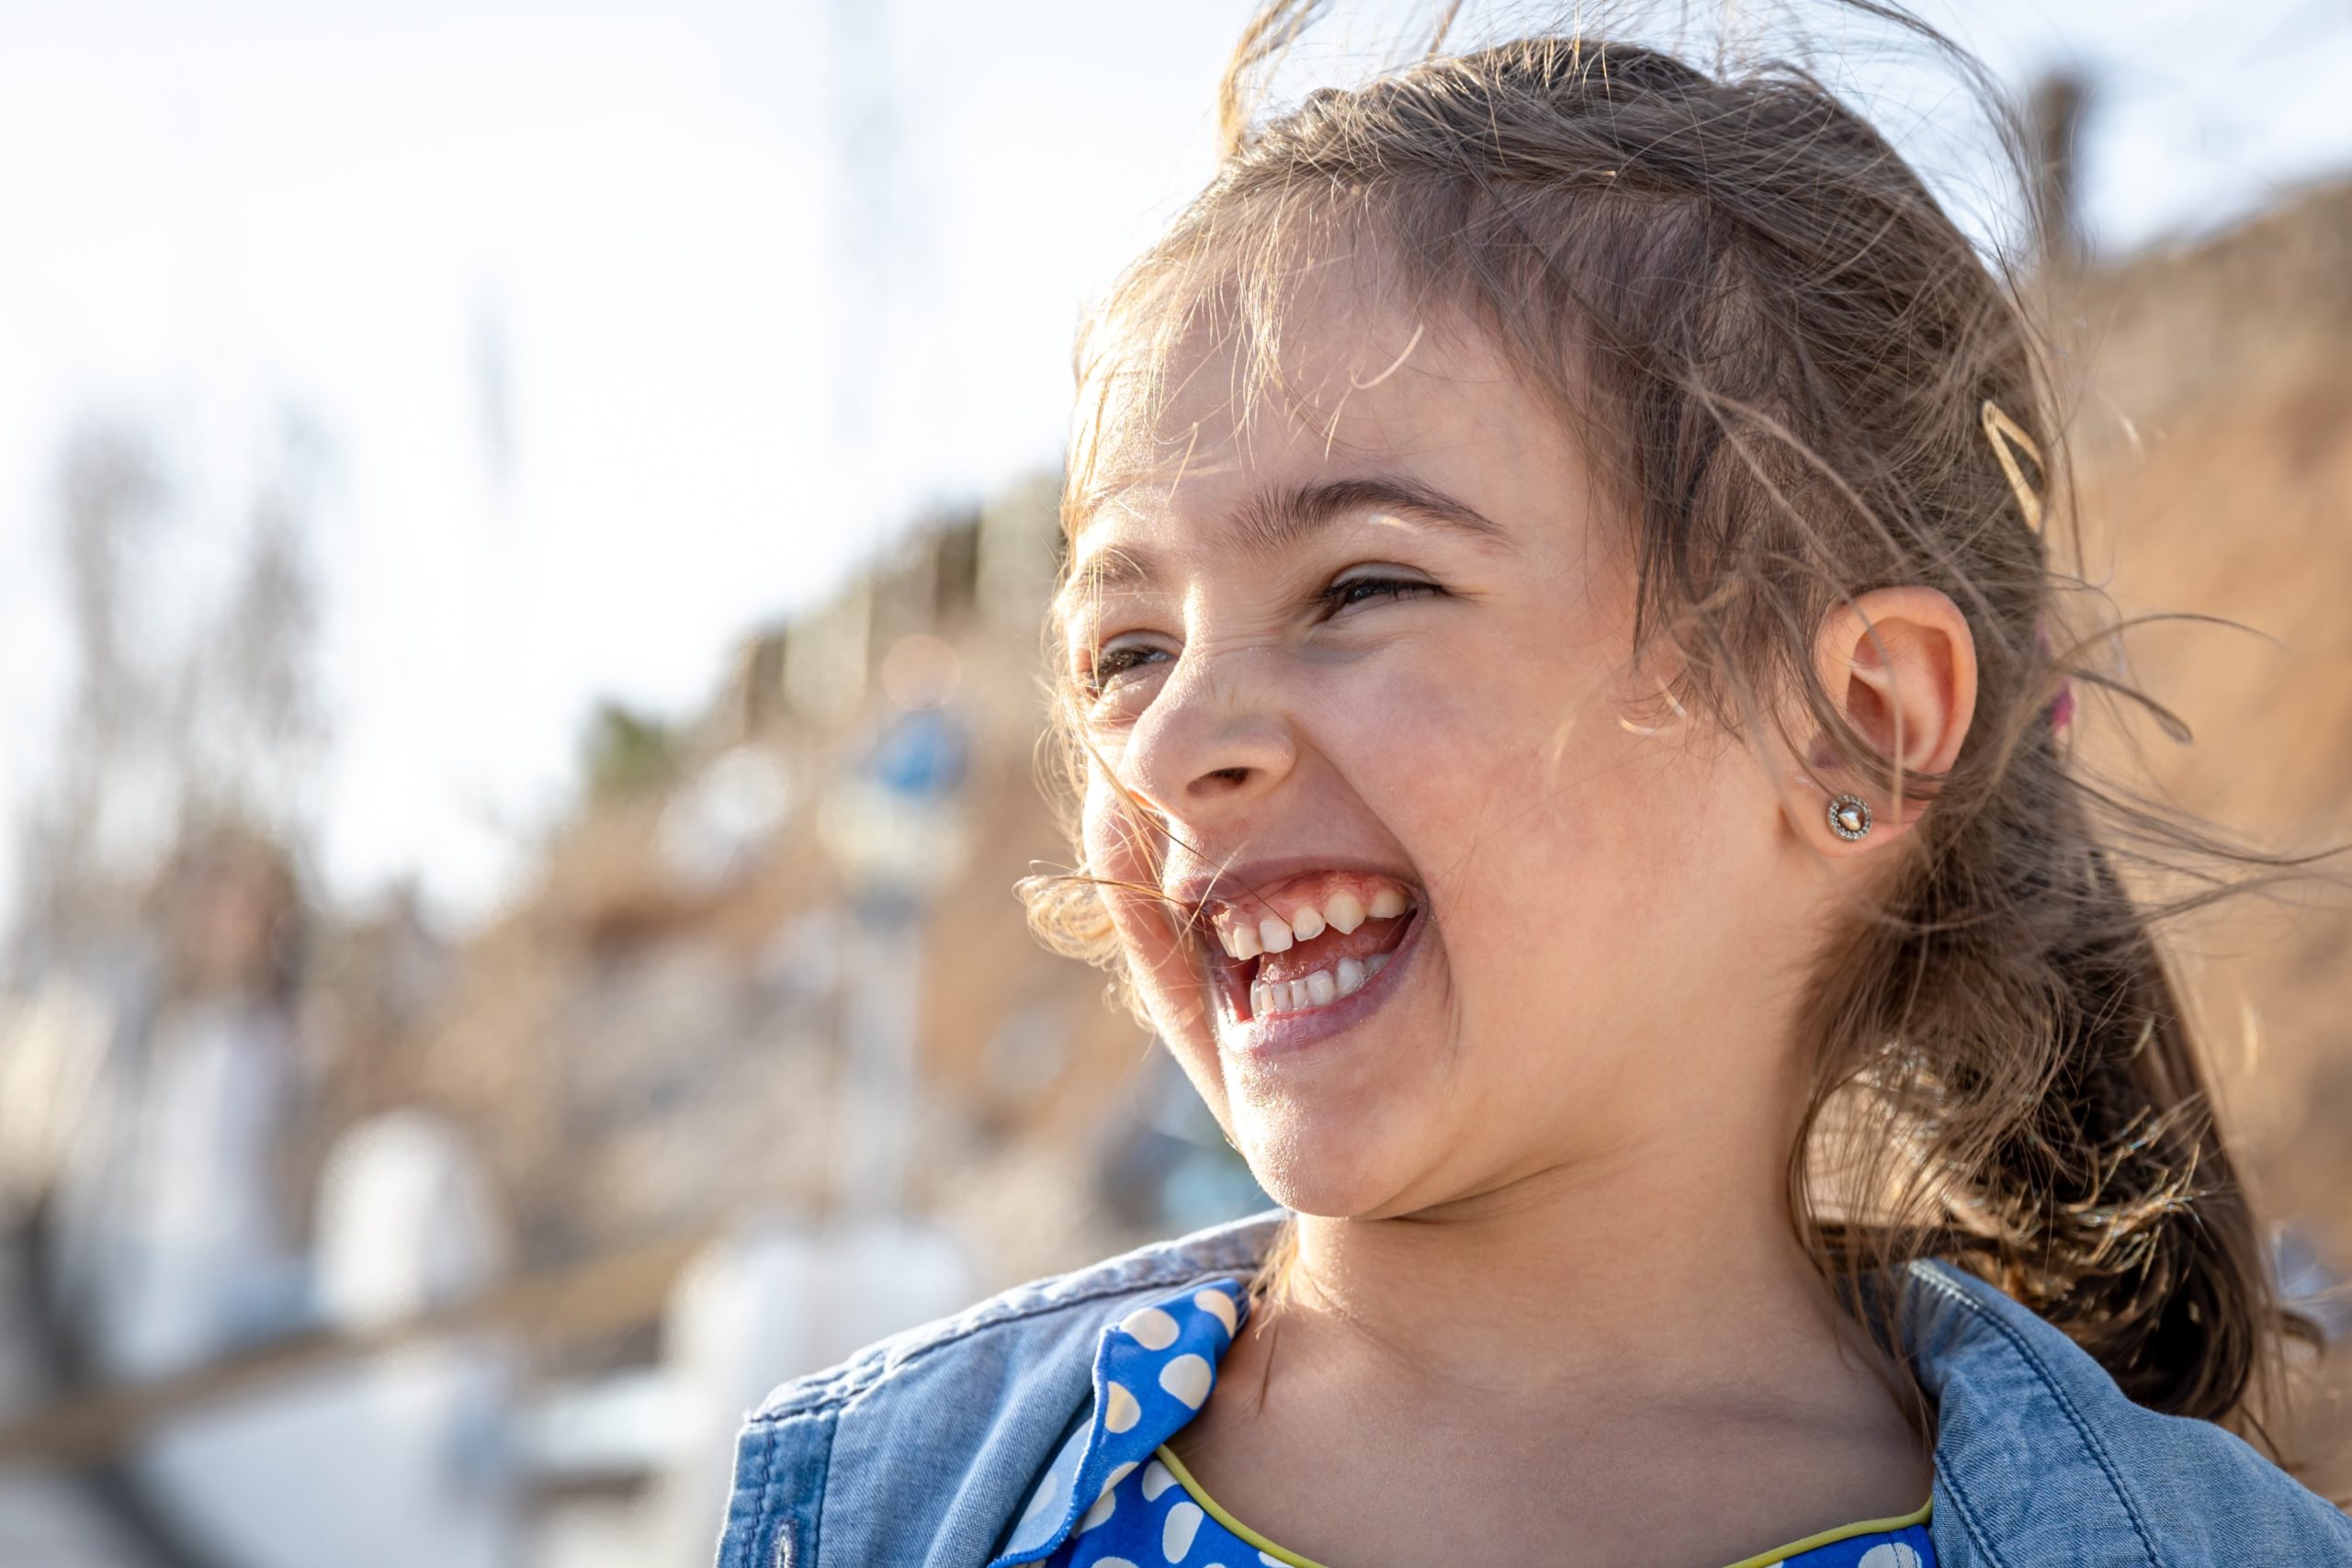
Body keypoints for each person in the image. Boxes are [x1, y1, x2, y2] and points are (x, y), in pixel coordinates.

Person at [712, 6, 2352, 1564]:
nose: (1165, 738)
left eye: (1363, 588)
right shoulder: (911, 1507)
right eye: (1124, 649)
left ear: (1855, 725)